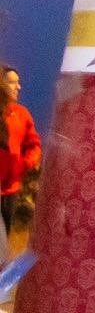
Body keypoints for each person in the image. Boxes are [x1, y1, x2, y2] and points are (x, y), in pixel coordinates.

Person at [0, 64, 39, 237]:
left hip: (10, 190)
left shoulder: (21, 114)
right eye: (12, 82)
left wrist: (24, 164)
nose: (18, 87)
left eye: (18, 82)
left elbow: (33, 145)